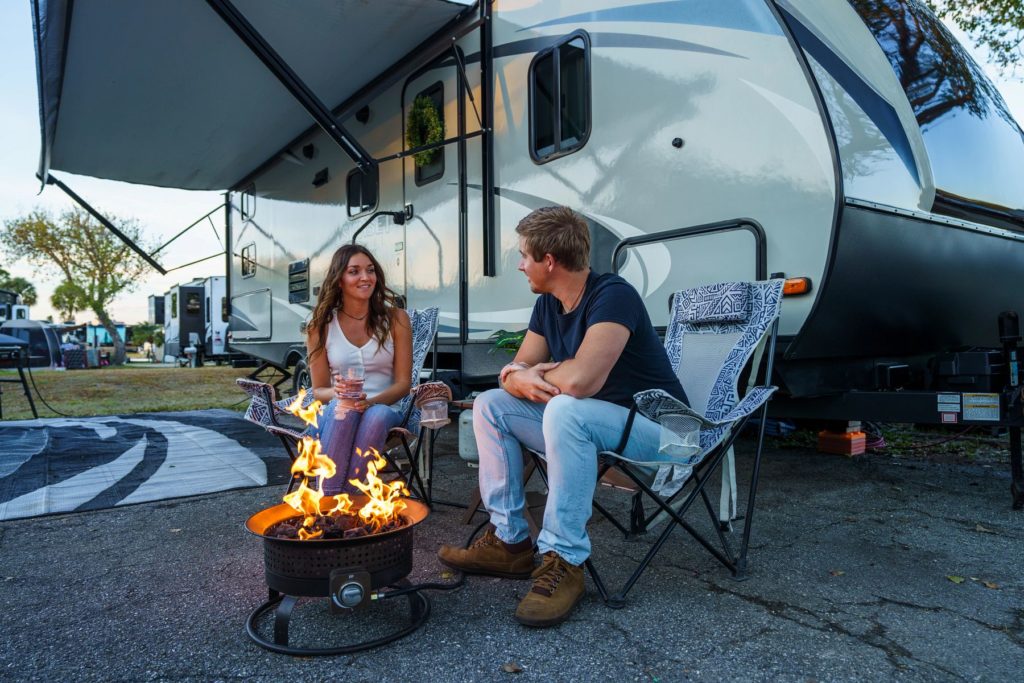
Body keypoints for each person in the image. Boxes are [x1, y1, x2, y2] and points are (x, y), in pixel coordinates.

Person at [438, 206, 688, 627]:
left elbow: (581, 382)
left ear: (549, 261)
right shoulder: (549, 306)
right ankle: (509, 541)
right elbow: (513, 376)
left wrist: (536, 373)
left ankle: (564, 560)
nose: (520, 265)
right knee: (489, 405)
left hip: (665, 432)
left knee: (566, 407)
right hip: (600, 428)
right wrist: (518, 375)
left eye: (523, 256)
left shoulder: (613, 295)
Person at [305, 244, 412, 495]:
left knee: (374, 416)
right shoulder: (320, 326)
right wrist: (339, 394)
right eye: (354, 271)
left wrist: (369, 403)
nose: (366, 277)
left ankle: (335, 501)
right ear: (339, 280)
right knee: (344, 409)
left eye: (370, 270)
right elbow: (318, 390)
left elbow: (403, 384)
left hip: (386, 407)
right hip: (338, 409)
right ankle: (342, 504)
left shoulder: (396, 319)